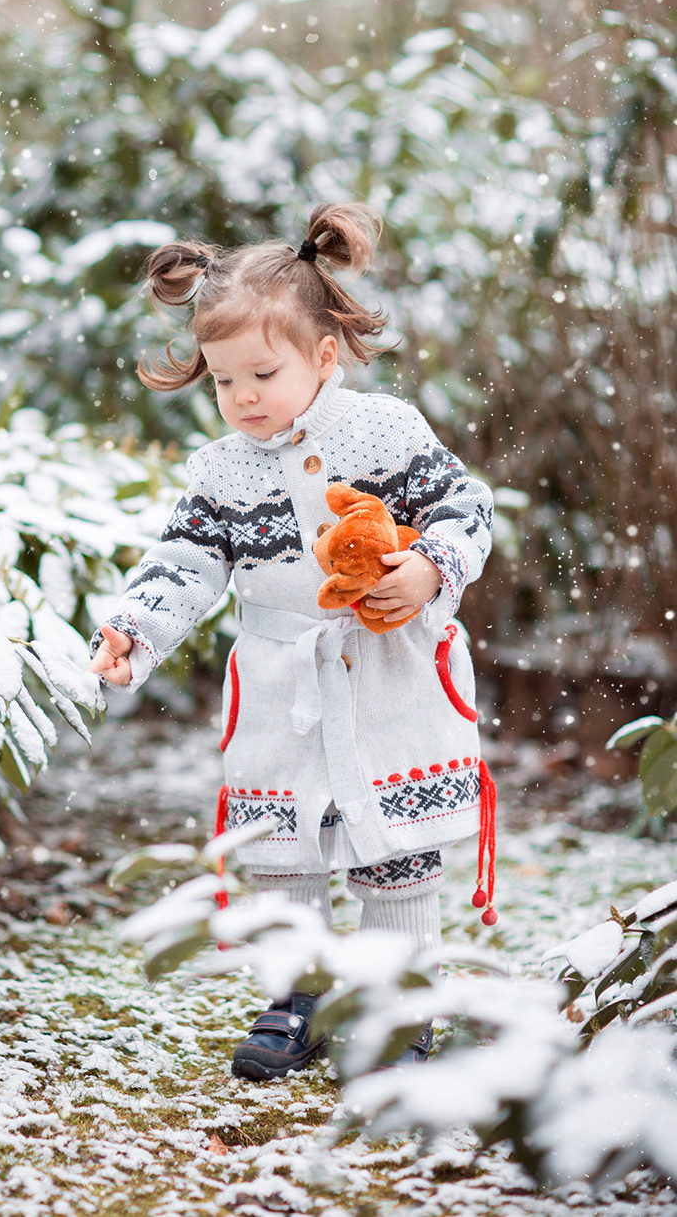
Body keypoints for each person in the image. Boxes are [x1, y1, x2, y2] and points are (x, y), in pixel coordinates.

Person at [89, 203, 494, 1082]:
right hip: (283, 685)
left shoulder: (385, 432)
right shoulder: (220, 470)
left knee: (394, 851)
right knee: (286, 854)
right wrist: (133, 627)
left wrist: (430, 566)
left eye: (261, 375)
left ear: (321, 357)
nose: (241, 399)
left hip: (388, 671)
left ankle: (400, 1002)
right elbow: (185, 562)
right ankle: (299, 995)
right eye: (223, 381)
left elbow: (468, 509)